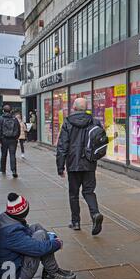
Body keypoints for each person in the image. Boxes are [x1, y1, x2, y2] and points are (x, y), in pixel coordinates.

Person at [0, 192, 76, 279]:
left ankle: (51, 271)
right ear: (24, 213)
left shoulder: (6, 219)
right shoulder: (12, 233)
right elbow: (38, 249)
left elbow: (26, 234)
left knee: (37, 227)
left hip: (11, 271)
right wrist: (57, 243)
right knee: (40, 235)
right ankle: (52, 273)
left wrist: (50, 238)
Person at [56, 98, 104, 234]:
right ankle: (95, 214)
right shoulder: (95, 122)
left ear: (74, 107)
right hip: (89, 163)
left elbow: (62, 146)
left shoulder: (68, 122)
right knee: (89, 191)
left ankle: (76, 222)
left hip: (73, 164)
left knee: (73, 194)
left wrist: (60, 167)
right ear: (86, 108)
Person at [0, 105, 20, 178]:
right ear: (10, 111)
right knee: (12, 155)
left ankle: (3, 169)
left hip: (4, 139)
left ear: (3, 111)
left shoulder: (1, 119)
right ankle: (14, 170)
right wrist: (16, 137)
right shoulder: (14, 119)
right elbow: (18, 129)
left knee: (3, 155)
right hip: (13, 140)